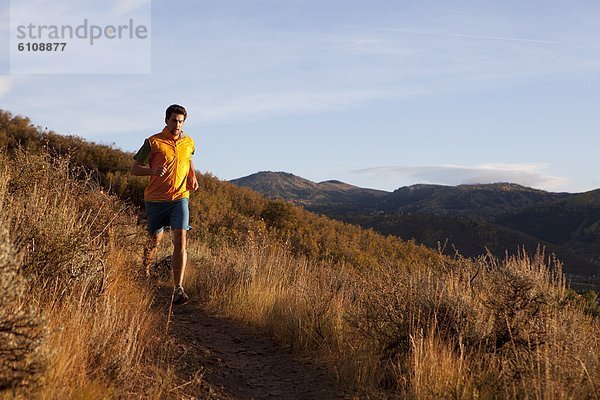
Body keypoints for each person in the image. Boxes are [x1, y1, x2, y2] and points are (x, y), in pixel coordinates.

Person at [131, 104, 199, 305]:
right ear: (166, 121)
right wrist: (152, 172)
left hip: (179, 197)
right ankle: (144, 275)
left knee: (180, 239)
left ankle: (178, 288)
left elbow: (188, 160)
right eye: (173, 120)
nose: (177, 124)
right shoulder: (153, 142)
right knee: (154, 241)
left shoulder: (189, 142)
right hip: (155, 200)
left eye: (180, 121)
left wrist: (192, 176)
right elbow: (134, 169)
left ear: (184, 122)